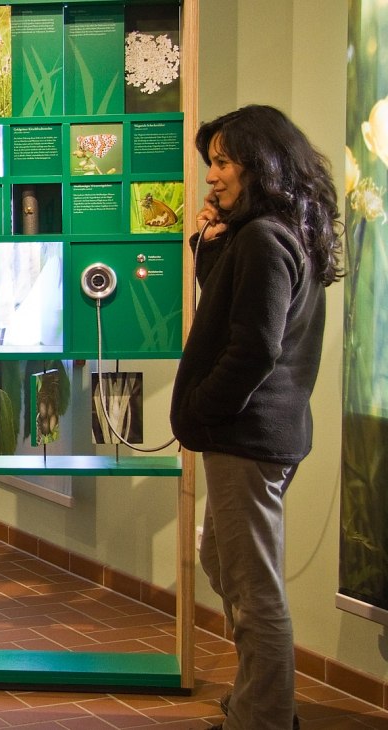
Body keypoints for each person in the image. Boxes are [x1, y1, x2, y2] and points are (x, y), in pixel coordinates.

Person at [171, 104, 343, 730]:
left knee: (255, 592)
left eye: (222, 162)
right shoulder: (261, 234)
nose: (210, 176)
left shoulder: (268, 238)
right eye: (210, 161)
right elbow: (232, 309)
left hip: (247, 437)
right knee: (223, 565)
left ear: (260, 164)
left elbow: (253, 348)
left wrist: (200, 412)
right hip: (250, 434)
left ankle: (265, 719)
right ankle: (258, 702)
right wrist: (208, 244)